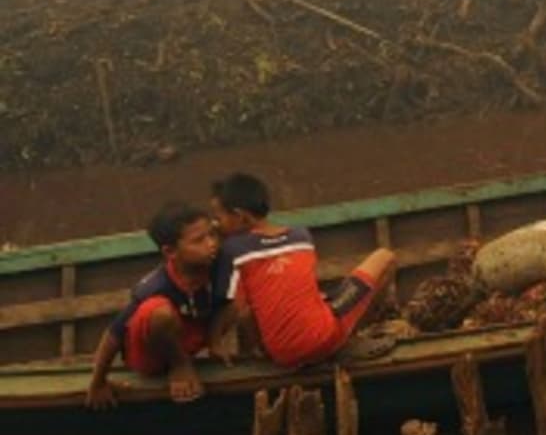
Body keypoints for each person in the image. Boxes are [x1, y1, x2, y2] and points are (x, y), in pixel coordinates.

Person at [210, 172, 398, 368]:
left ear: (240, 217)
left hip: (282, 356)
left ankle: (276, 350)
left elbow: (239, 312)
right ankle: (349, 338)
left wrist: (219, 343)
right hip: (325, 338)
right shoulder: (301, 236)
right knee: (385, 257)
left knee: (252, 304)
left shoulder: (232, 250)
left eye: (219, 217)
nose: (215, 225)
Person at [85, 202, 234, 408]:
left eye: (212, 235)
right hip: (151, 353)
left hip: (189, 334)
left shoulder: (218, 262)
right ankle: (180, 365)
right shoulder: (156, 286)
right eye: (199, 240)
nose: (211, 244)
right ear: (170, 252)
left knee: (241, 290)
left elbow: (225, 301)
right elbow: (113, 334)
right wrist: (98, 382)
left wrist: (215, 341)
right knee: (158, 313)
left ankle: (202, 352)